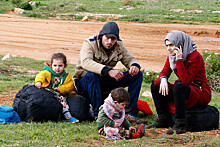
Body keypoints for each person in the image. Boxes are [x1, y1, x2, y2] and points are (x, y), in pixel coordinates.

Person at [73, 22, 144, 122]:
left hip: (104, 81)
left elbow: (130, 58)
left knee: (137, 75)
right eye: (107, 38)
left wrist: (134, 66)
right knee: (93, 75)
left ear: (117, 39)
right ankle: (98, 114)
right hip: (85, 83)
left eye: (113, 39)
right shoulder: (89, 43)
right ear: (102, 36)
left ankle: (130, 113)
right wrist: (108, 71)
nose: (109, 41)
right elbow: (86, 63)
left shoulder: (118, 45)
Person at [147, 30, 211, 134]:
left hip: (200, 92)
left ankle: (180, 124)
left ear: (180, 44)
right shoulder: (172, 56)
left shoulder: (195, 57)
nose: (169, 48)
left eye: (171, 45)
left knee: (179, 86)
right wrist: (163, 79)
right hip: (185, 90)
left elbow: (187, 80)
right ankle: (164, 118)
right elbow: (164, 72)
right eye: (167, 45)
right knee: (155, 85)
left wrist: (179, 59)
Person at [35, 53, 79, 124]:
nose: (57, 68)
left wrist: (60, 89)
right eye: (55, 65)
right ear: (51, 65)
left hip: (60, 94)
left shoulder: (66, 76)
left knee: (63, 101)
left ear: (65, 66)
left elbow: (70, 85)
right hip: (48, 93)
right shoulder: (48, 72)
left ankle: (68, 116)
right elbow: (41, 75)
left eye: (60, 66)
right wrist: (39, 82)